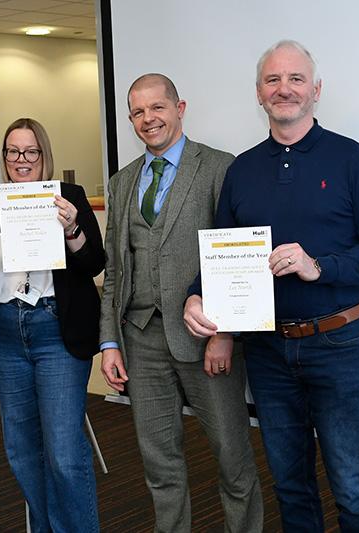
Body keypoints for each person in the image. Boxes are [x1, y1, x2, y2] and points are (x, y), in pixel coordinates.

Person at [184, 40, 359, 532]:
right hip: (266, 350)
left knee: (354, 487)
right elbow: (221, 255)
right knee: (290, 486)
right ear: (259, 93)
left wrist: (318, 266)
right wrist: (198, 296)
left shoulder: (352, 159)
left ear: (316, 90)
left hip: (336, 344)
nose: (285, 89)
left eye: (296, 79)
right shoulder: (242, 169)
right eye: (273, 80)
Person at [99, 73, 263, 533]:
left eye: (158, 107)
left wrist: (225, 334)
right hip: (140, 340)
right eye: (138, 112)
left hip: (205, 340)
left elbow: (236, 260)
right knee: (160, 466)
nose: (148, 119)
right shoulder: (122, 182)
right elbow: (115, 270)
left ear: (180, 107)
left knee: (233, 459)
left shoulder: (218, 167)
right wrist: (110, 342)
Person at [0, 118, 104, 533]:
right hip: (8, 333)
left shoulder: (69, 198)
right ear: (4, 157)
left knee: (63, 454)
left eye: (30, 152)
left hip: (54, 330)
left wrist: (72, 228)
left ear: (44, 155)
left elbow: (94, 263)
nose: (21, 161)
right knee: (21, 452)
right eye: (12, 152)